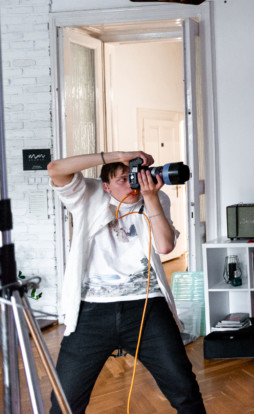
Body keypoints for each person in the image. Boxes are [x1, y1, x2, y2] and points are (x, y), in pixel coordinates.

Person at [47, 150, 205, 414]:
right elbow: (55, 168)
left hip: (147, 308)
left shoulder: (155, 198)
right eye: (123, 179)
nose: (132, 185)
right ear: (106, 185)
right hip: (91, 312)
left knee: (185, 391)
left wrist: (151, 197)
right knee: (65, 401)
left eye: (134, 177)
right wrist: (118, 155)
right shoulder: (88, 194)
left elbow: (165, 246)